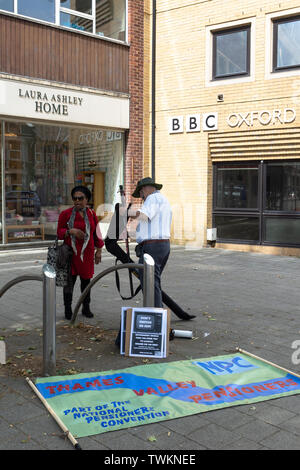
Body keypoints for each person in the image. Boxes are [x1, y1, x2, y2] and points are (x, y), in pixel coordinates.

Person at [57, 185, 104, 320]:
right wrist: (70, 231)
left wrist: (99, 250)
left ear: (87, 199)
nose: (77, 201)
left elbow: (97, 233)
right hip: (70, 254)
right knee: (69, 284)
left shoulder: (91, 214)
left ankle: (86, 307)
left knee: (86, 282)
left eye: (80, 198)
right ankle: (68, 309)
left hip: (86, 255)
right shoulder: (65, 214)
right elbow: (59, 233)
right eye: (75, 198)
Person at [129, 177, 172, 308]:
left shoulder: (152, 198)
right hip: (161, 245)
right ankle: (155, 312)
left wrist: (127, 212)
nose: (141, 197)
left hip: (153, 246)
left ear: (144, 189)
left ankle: (155, 316)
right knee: (152, 282)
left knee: (150, 284)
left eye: (141, 194)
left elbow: (144, 215)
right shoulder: (163, 199)